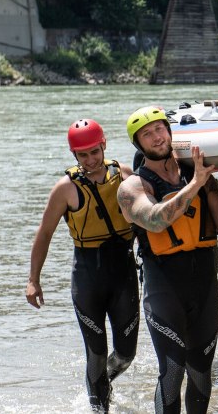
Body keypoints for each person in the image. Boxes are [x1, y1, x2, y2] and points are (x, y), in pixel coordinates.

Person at [117, 106, 218, 414]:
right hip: (164, 289)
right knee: (173, 369)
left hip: (205, 286)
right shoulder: (132, 188)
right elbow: (155, 220)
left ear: (169, 130)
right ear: (139, 143)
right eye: (147, 134)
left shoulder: (199, 174)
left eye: (160, 129)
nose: (156, 136)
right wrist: (196, 184)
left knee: (201, 372)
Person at [26, 119, 139, 414]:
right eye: (82, 155)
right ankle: (98, 405)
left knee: (126, 354)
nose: (90, 160)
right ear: (74, 155)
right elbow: (45, 232)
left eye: (94, 152)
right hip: (88, 280)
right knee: (97, 354)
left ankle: (100, 385)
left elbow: (148, 217)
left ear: (104, 145)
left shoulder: (126, 175)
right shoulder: (65, 189)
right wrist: (33, 280)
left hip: (124, 276)